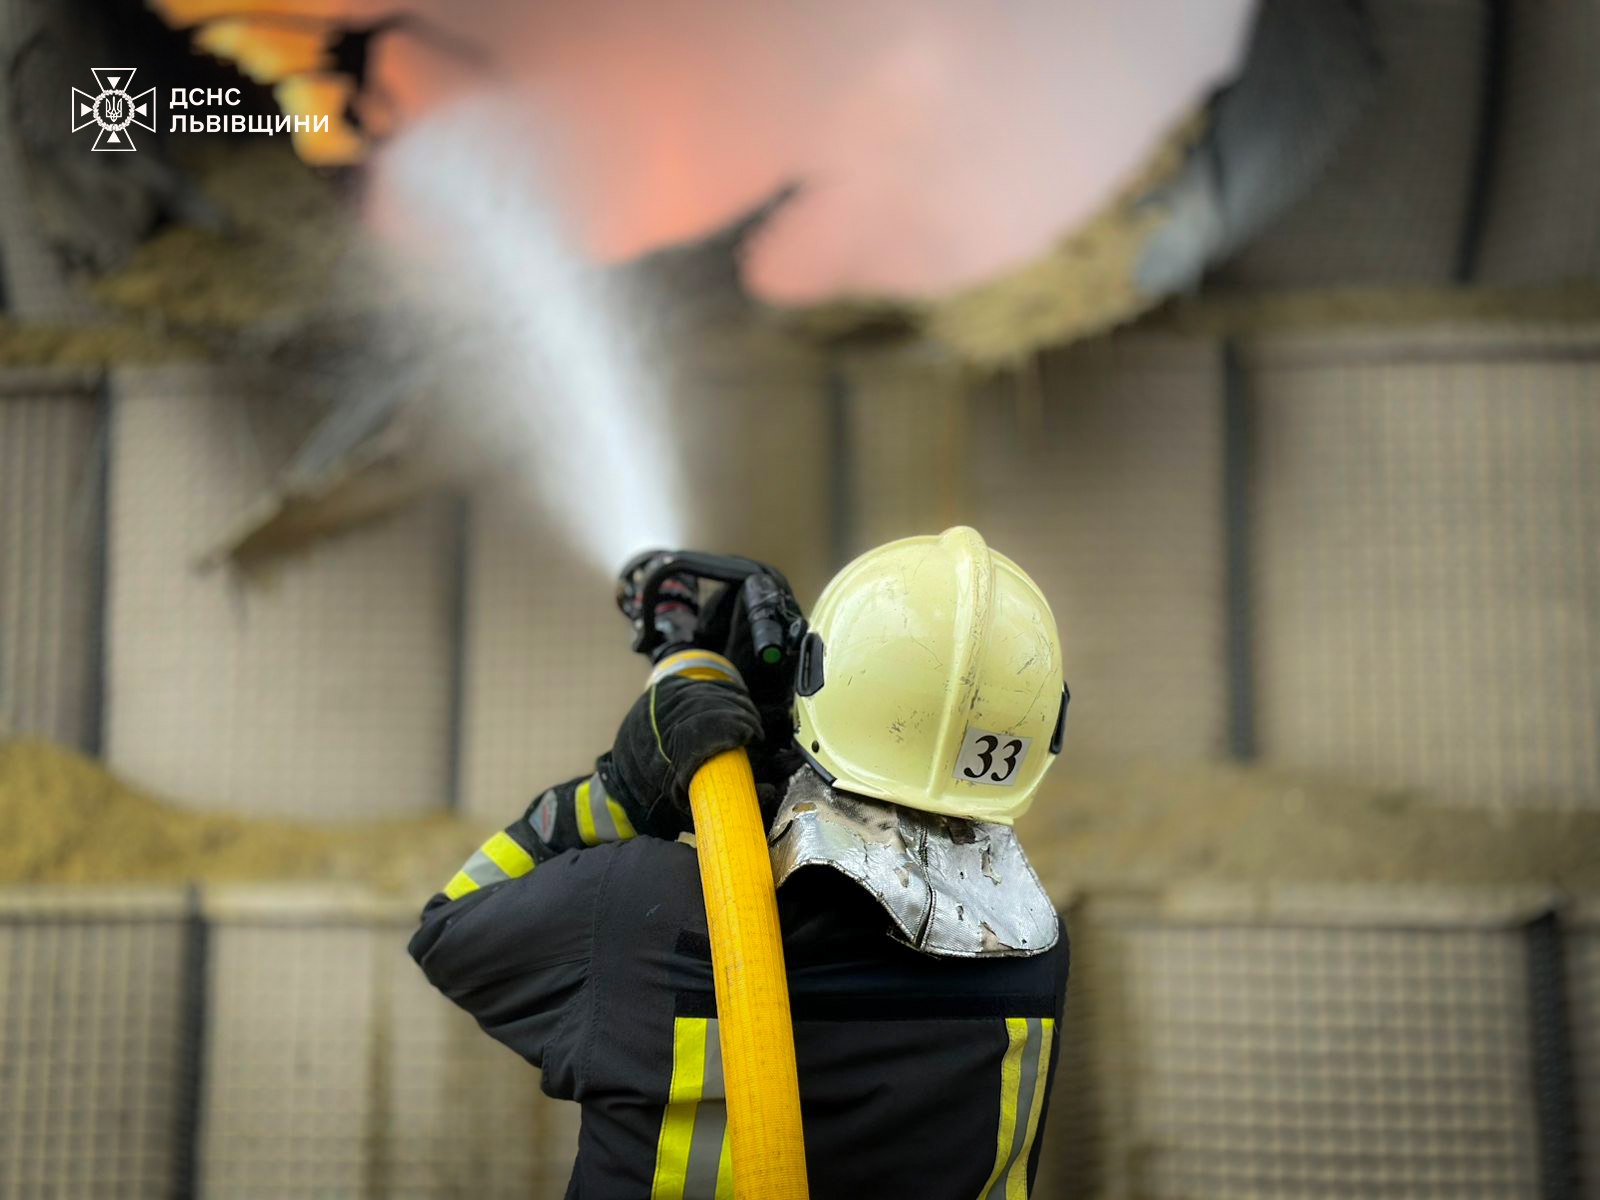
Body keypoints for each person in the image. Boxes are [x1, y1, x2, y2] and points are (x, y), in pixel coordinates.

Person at [410, 526, 1071, 1198]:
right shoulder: (1035, 950)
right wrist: (783, 764)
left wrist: (625, 793)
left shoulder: (648, 915)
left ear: (819, 684)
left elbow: (449, 930)